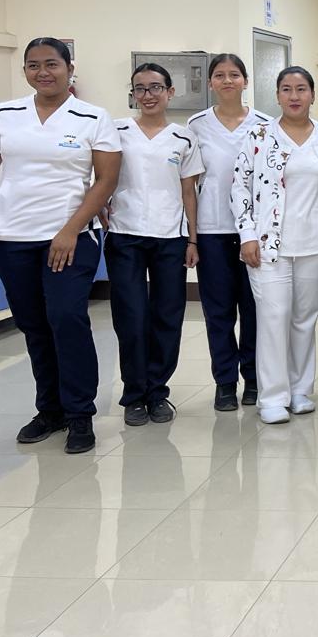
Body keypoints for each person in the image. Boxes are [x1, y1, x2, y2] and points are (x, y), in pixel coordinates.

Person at [0, 37, 121, 454]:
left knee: (66, 318)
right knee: (33, 324)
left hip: (71, 237)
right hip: (11, 236)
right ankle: (50, 410)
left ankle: (80, 413)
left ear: (69, 68)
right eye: (34, 65)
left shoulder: (92, 117)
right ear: (25, 71)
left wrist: (69, 230)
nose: (43, 72)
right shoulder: (6, 113)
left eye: (52, 64)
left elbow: (106, 180)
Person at [232, 67, 318, 425]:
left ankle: (300, 391)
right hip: (268, 245)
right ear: (277, 95)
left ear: (313, 94)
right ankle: (272, 397)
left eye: (301, 89)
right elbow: (239, 186)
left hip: (314, 243)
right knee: (273, 318)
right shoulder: (259, 135)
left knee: (305, 319)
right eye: (286, 89)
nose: (294, 96)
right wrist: (247, 234)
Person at [106, 63, 204, 426]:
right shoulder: (116, 131)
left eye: (155, 87)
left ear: (170, 92)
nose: (148, 95)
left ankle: (157, 392)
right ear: (133, 94)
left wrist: (192, 238)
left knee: (167, 315)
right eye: (140, 88)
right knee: (131, 317)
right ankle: (134, 395)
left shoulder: (184, 137)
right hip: (125, 234)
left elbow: (188, 191)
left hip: (170, 238)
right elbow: (100, 176)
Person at [188, 54, 271, 411]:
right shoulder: (196, 125)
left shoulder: (265, 124)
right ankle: (224, 382)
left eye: (234, 75)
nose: (227, 81)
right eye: (219, 75)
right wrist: (192, 236)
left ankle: (253, 378)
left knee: (254, 309)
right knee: (218, 311)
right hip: (212, 229)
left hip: (254, 232)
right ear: (210, 83)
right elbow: (189, 184)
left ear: (245, 81)